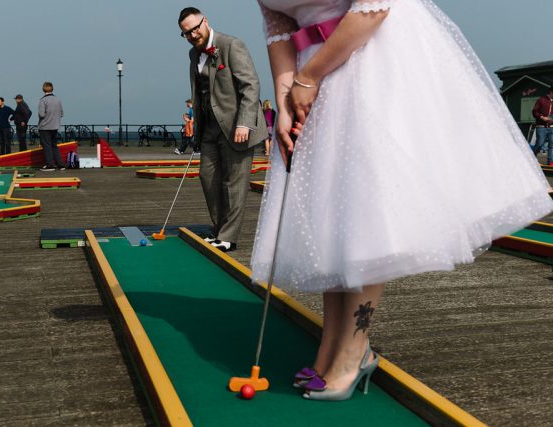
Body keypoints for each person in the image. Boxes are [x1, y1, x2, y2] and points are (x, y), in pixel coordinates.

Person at [251, 0, 553, 401]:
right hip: (311, 75)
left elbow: (374, 8)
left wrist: (309, 77)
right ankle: (331, 344)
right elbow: (280, 30)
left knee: (362, 210)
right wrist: (286, 100)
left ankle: (355, 349)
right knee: (328, 211)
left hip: (367, 60)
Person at [179, 7, 268, 252]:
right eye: (186, 33)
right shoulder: (192, 54)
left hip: (237, 126)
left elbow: (250, 85)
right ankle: (218, 229)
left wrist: (244, 123)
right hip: (209, 127)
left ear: (205, 21)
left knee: (235, 182)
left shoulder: (231, 45)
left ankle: (228, 236)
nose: (193, 35)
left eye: (195, 28)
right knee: (207, 177)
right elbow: (199, 92)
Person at [37, 81, 65, 171]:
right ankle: (60, 164)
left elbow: (41, 114)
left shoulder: (43, 100)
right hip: (55, 126)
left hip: (45, 127)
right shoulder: (58, 100)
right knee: (54, 146)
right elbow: (61, 113)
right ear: (52, 89)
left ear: (43, 89)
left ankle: (50, 165)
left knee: (47, 146)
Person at [531, 86, 553, 165]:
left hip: (552, 127)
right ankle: (532, 159)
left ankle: (550, 162)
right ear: (551, 92)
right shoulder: (541, 100)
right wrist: (542, 117)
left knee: (552, 145)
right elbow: (534, 112)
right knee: (539, 144)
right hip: (541, 127)